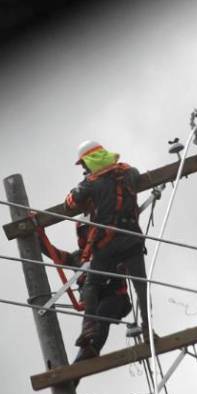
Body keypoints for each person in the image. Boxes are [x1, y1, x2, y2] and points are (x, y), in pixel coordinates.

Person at [62, 139, 150, 362]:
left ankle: (89, 327)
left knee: (92, 283)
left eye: (84, 164)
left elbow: (70, 203)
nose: (83, 169)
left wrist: (80, 189)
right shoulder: (128, 171)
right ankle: (149, 331)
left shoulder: (90, 184)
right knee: (141, 287)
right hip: (132, 240)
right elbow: (138, 176)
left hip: (107, 245)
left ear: (89, 162)